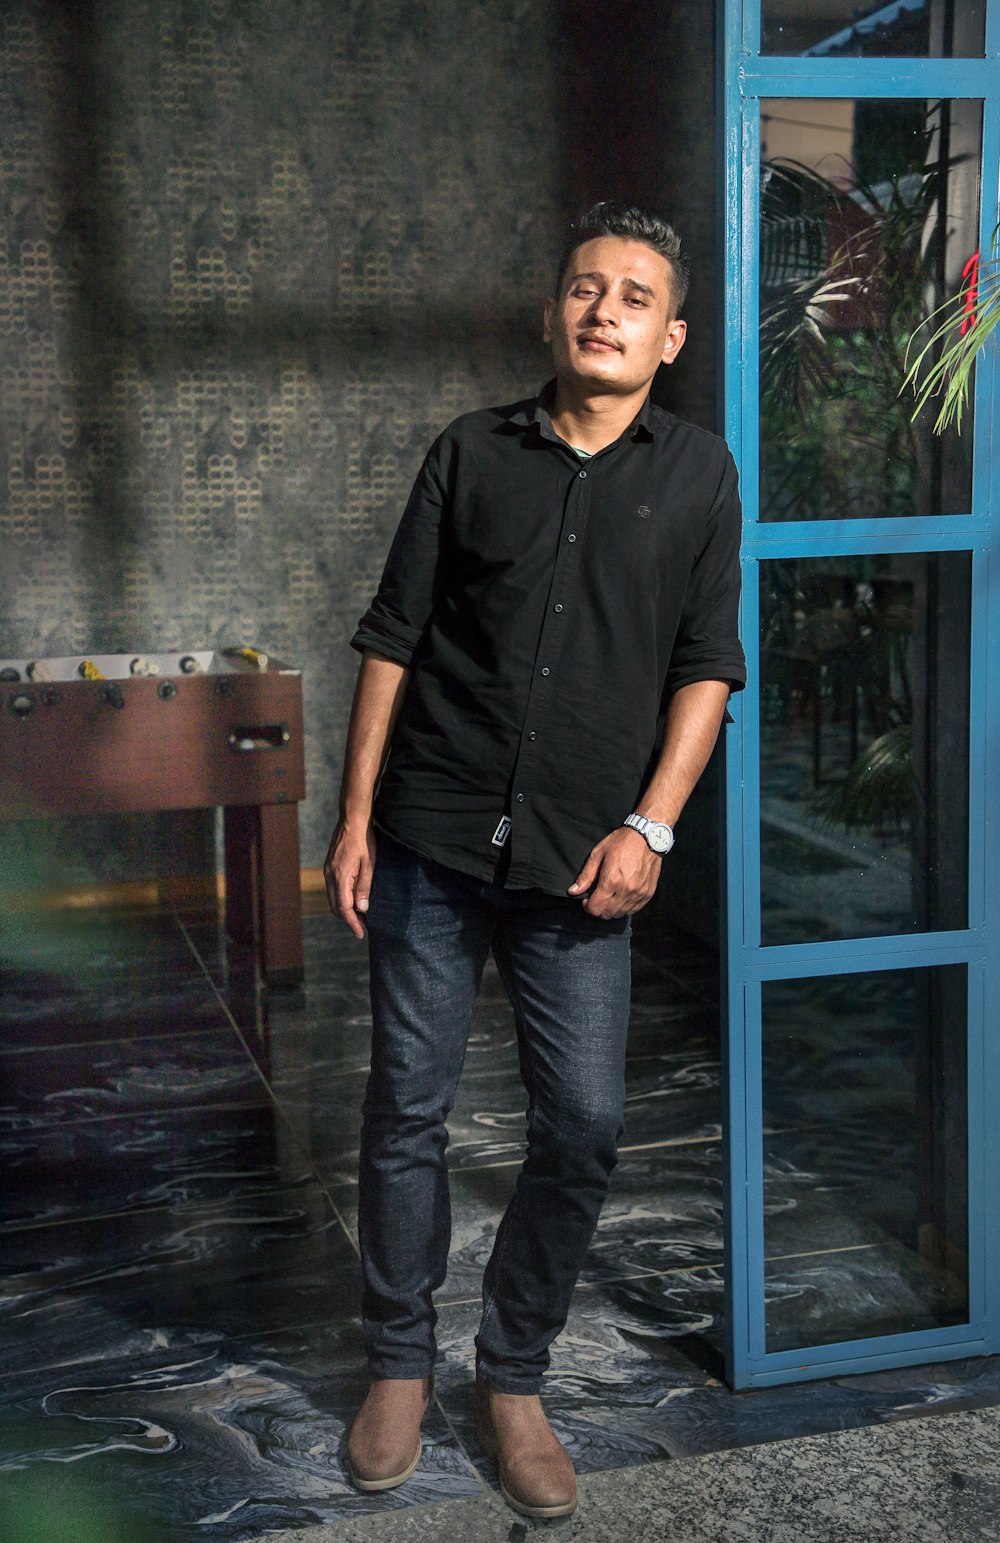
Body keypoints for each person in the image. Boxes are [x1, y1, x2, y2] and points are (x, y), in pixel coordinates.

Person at [323, 201, 746, 1520]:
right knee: (406, 1110)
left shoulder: (700, 476)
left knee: (584, 1126)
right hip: (433, 840)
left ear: (668, 338)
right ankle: (399, 1360)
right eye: (584, 286)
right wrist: (348, 823)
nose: (603, 308)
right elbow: (392, 640)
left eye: (633, 296)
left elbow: (708, 667)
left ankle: (511, 1375)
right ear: (553, 312)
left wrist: (654, 825)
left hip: (585, 863)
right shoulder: (470, 453)